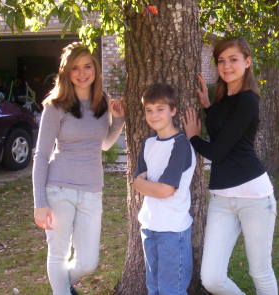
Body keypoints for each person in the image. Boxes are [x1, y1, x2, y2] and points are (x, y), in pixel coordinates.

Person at [183, 37, 278, 295]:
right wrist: (207, 106)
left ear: (247, 62)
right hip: (222, 199)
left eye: (233, 59)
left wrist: (192, 137)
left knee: (260, 271)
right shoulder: (223, 101)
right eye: (221, 61)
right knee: (211, 278)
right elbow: (221, 130)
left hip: (255, 197)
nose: (226, 66)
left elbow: (217, 151)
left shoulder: (249, 100)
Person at [32, 42, 125, 295]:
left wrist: (118, 121)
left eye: (87, 66)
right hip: (59, 189)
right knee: (58, 254)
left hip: (92, 190)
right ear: (66, 72)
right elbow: (41, 155)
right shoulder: (55, 105)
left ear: (95, 69)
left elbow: (104, 144)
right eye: (75, 68)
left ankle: (61, 287)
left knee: (88, 262)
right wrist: (39, 203)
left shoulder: (102, 101)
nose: (82, 73)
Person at [133, 83, 196, 295]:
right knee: (154, 288)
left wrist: (142, 184)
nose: (153, 115)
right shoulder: (148, 144)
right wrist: (142, 184)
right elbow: (137, 181)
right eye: (149, 110)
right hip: (149, 225)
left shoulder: (181, 145)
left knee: (172, 290)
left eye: (160, 109)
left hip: (172, 229)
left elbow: (165, 190)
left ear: (173, 110)